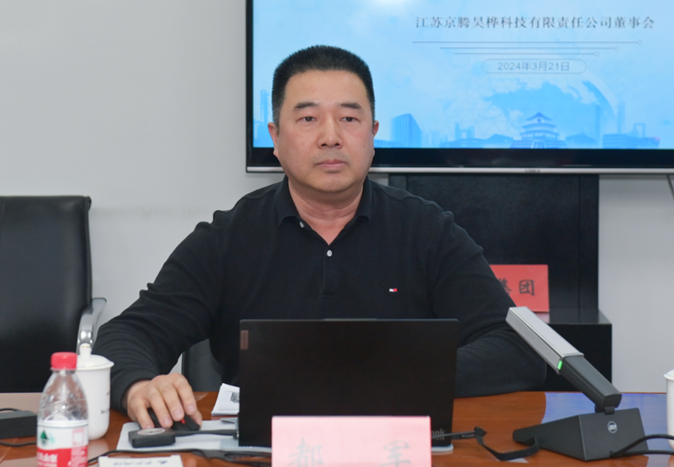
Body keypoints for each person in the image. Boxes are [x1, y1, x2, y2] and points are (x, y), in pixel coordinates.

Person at [93, 45, 546, 430]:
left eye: (349, 118)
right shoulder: (228, 238)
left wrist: (402, 375)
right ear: (275, 138)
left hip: (395, 445)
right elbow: (128, 334)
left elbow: (517, 346)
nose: (331, 137)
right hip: (262, 449)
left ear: (373, 135)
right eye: (308, 118)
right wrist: (138, 384)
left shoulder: (427, 231)